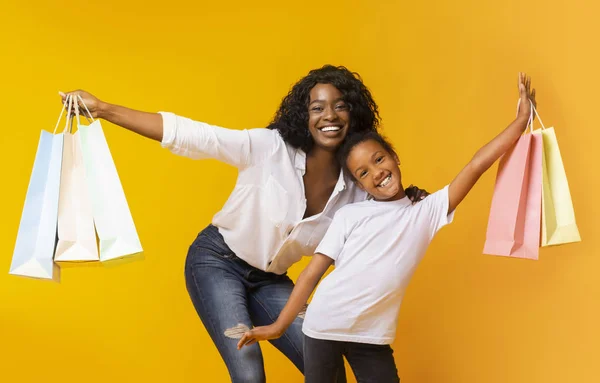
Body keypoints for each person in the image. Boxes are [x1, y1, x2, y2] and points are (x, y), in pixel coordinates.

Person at [60, 65, 427, 383]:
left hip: (271, 280)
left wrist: (413, 198)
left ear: (354, 114)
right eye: (317, 108)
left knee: (325, 367)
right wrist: (104, 109)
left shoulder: (357, 190)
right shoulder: (269, 148)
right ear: (305, 116)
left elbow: (389, 215)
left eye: (339, 106)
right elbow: (192, 135)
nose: (328, 115)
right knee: (249, 371)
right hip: (217, 262)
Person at [237, 73, 537, 383]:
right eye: (363, 173)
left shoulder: (427, 212)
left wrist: (520, 122)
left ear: (393, 156)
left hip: (372, 337)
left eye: (379, 159)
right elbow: (311, 275)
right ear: (359, 183)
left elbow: (476, 164)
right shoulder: (351, 216)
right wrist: (278, 327)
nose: (377, 173)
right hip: (323, 326)